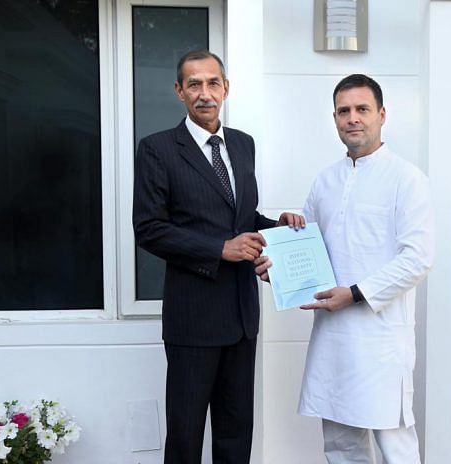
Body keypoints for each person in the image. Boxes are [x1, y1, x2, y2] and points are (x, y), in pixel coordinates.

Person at [133, 49, 304, 464]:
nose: (204, 93)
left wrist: (275, 227)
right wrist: (219, 250)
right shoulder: (157, 149)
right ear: (179, 91)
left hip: (242, 317)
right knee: (186, 439)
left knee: (235, 436)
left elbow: (240, 217)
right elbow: (149, 229)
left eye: (213, 83)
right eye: (194, 84)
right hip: (193, 319)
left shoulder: (243, 145)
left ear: (226, 88)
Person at [256, 74, 435, 463]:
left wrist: (355, 293)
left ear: (382, 115)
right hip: (334, 338)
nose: (352, 118)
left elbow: (417, 257)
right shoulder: (326, 181)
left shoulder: (407, 179)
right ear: (335, 118)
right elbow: (311, 245)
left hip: (382, 338)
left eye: (362, 109)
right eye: (344, 111)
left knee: (395, 445)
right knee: (340, 443)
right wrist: (279, 265)